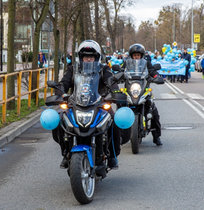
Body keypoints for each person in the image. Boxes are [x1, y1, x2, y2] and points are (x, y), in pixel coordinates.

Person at [53, 40, 123, 170]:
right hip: (76, 104)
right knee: (59, 122)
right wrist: (60, 93)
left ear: (96, 57)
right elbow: (63, 83)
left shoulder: (104, 69)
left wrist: (115, 92)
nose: (88, 59)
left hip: (99, 104)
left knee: (113, 122)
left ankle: (113, 156)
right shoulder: (73, 69)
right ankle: (65, 153)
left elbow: (111, 82)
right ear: (81, 57)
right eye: (86, 56)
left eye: (91, 56)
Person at [126, 44, 163, 146]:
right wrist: (116, 76)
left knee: (154, 112)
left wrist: (156, 76)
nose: (136, 57)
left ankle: (156, 137)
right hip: (130, 90)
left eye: (138, 55)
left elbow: (152, 71)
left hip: (144, 89)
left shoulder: (146, 63)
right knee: (120, 107)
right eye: (135, 55)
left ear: (141, 55)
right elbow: (121, 71)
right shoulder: (126, 64)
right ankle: (120, 136)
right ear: (131, 56)